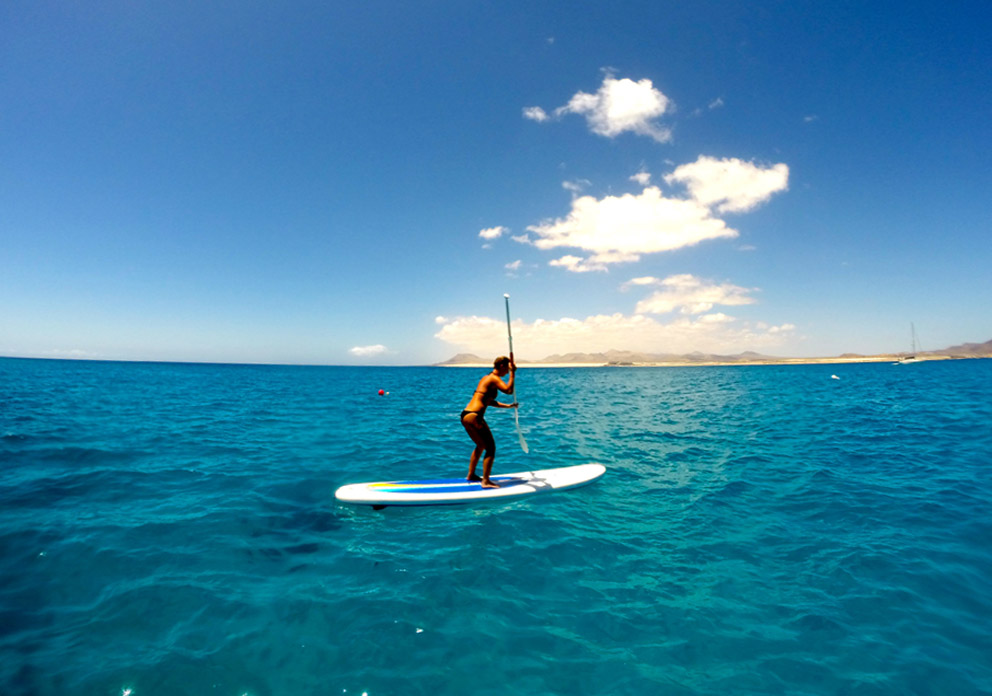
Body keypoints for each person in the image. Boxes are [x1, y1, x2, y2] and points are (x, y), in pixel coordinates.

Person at [460, 355, 518, 488]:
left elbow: (488, 401)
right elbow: (509, 390)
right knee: (490, 448)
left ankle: (471, 475)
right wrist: (513, 373)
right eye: (507, 369)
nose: (507, 372)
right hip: (475, 416)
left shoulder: (486, 378)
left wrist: (508, 406)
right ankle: (485, 481)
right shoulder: (494, 378)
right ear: (502, 366)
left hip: (466, 415)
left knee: (481, 445)